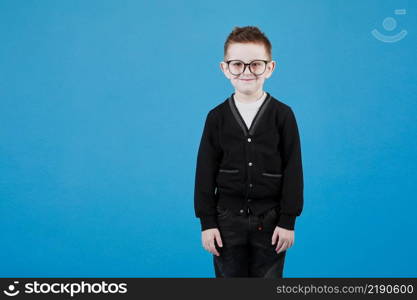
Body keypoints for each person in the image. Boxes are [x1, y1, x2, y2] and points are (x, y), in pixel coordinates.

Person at [194, 26, 304, 278]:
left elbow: (293, 168)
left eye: (255, 64)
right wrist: (207, 223)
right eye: (237, 64)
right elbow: (204, 172)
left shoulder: (283, 115)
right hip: (226, 222)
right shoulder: (216, 118)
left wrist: (288, 220)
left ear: (270, 67)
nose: (246, 72)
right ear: (225, 68)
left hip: (272, 222)